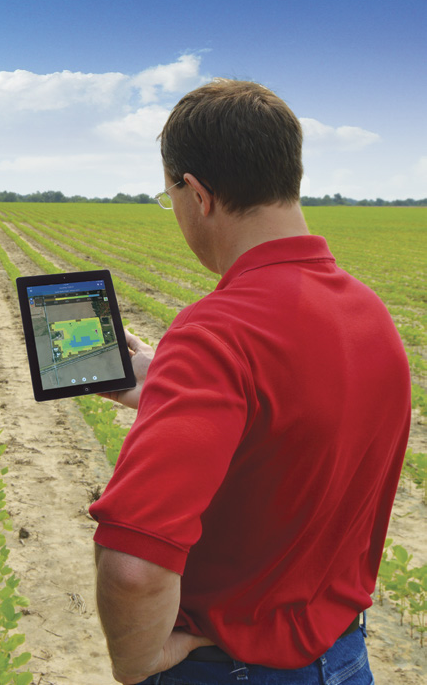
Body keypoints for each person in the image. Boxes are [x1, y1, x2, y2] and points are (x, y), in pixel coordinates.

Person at [89, 79, 411, 685]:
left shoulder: (217, 333)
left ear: (198, 194)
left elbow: (134, 566)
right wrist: (165, 391)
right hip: (343, 661)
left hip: (231, 669)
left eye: (170, 197)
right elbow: (291, 433)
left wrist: (140, 663)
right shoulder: (370, 316)